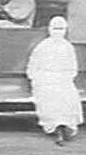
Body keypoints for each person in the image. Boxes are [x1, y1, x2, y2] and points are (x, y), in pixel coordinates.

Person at [26, 16, 83, 145]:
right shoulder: (43, 46)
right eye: (55, 29)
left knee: (68, 98)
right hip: (45, 79)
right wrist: (36, 79)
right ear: (49, 29)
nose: (58, 32)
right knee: (50, 99)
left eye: (61, 29)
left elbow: (73, 67)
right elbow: (33, 65)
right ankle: (57, 130)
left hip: (62, 78)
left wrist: (66, 77)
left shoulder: (67, 47)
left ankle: (67, 127)